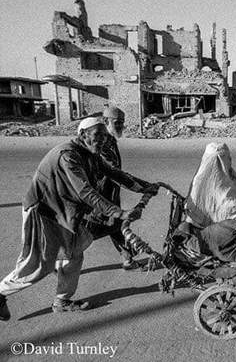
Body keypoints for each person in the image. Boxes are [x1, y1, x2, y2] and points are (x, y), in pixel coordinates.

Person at [0, 117, 158, 321]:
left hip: (64, 212)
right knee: (39, 264)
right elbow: (85, 192)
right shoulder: (68, 155)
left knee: (74, 253)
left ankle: (62, 300)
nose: (101, 141)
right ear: (83, 135)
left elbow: (114, 173)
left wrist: (144, 186)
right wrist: (120, 213)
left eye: (104, 136)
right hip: (44, 212)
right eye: (97, 136)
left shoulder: (90, 154)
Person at [84, 106, 141, 270]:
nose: (120, 126)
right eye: (117, 122)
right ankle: (61, 260)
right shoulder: (100, 143)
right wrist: (141, 187)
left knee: (115, 224)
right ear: (105, 121)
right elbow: (114, 171)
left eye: (122, 122)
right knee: (88, 232)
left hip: (110, 193)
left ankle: (128, 259)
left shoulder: (111, 140)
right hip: (99, 196)